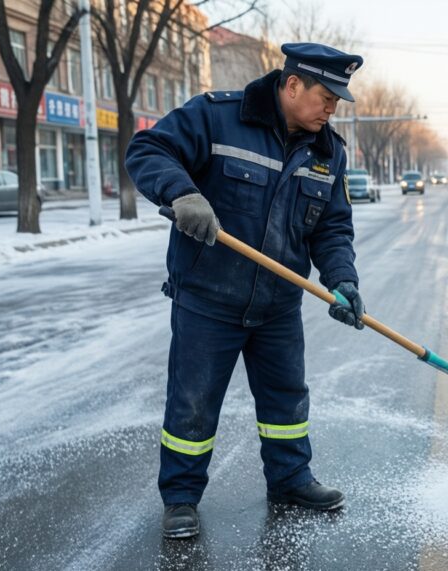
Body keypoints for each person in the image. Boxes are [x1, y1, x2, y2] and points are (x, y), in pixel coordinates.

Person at [125, 43, 368, 539]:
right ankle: (181, 498)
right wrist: (182, 192)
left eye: (338, 102)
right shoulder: (218, 118)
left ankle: (291, 479)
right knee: (192, 403)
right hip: (208, 298)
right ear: (292, 84)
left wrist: (342, 279)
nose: (331, 109)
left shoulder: (329, 153)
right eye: (326, 96)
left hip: (278, 305)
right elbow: (148, 150)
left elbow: (331, 229)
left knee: (286, 401)